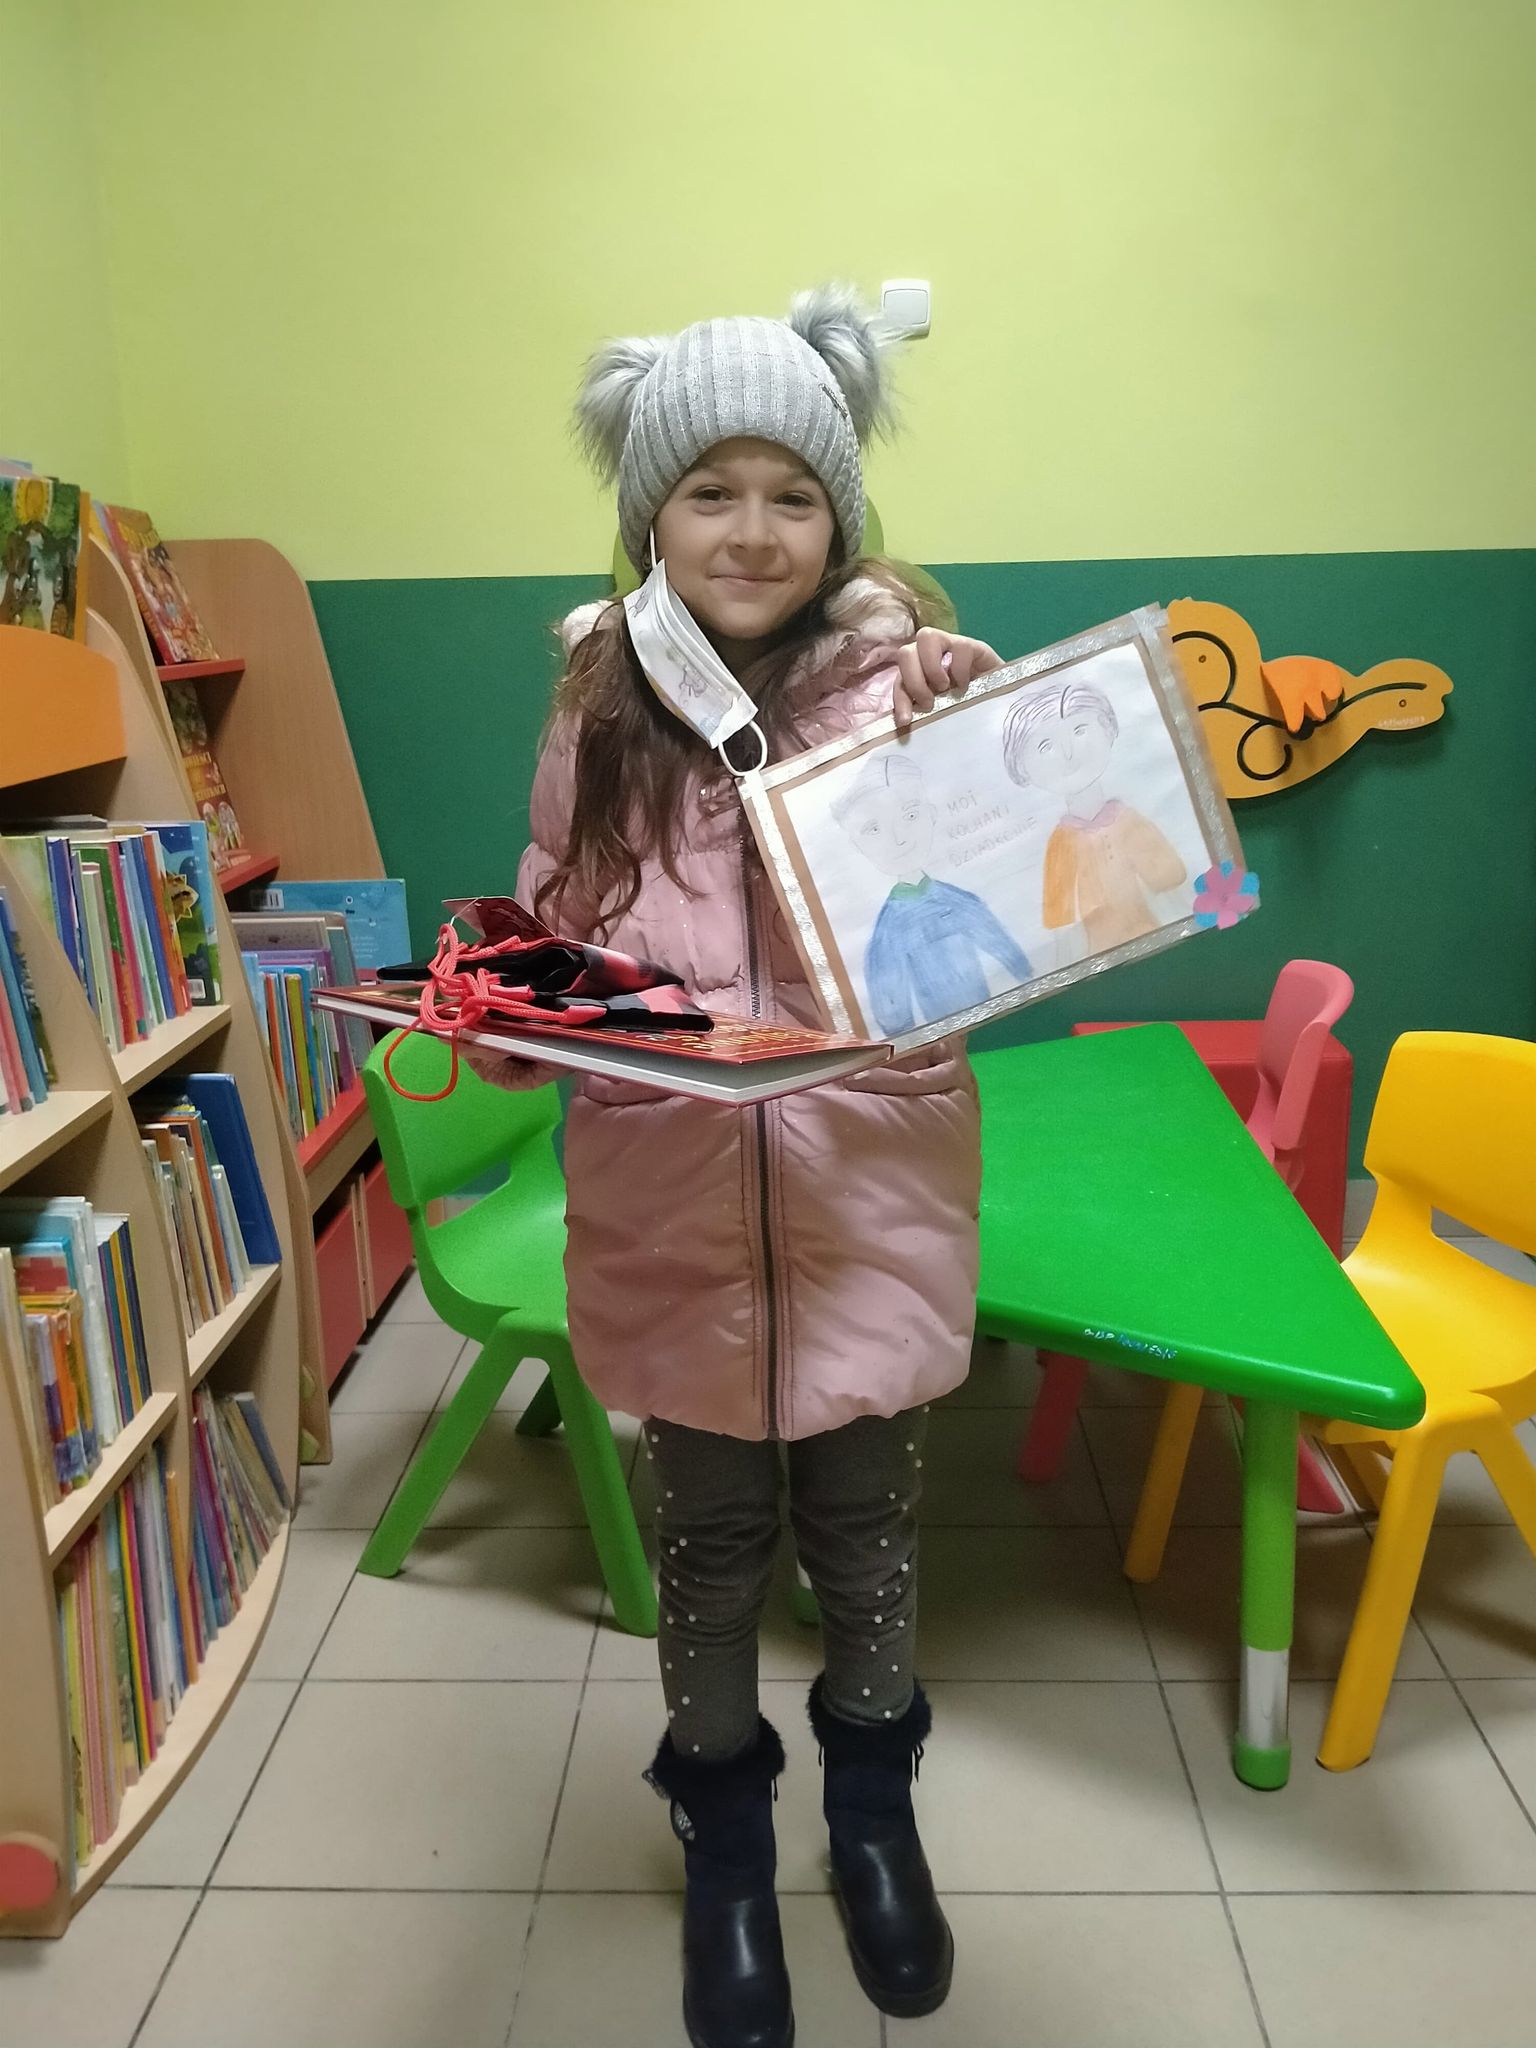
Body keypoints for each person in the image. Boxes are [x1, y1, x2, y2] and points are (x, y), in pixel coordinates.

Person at [471, 286, 1001, 2048]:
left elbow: (998, 883)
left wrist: (994, 739)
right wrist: (511, 1008)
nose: (753, 530)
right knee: (706, 1549)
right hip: (675, 1209)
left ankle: (873, 1815)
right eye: (709, 491)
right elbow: (561, 924)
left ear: (841, 517)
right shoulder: (600, 704)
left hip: (869, 1197)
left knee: (869, 1534)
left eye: (793, 493)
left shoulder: (907, 684)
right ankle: (724, 1841)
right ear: (648, 516)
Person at [832, 751, 1033, 1036]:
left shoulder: (959, 901)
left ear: (932, 814)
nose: (899, 838)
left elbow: (1007, 949)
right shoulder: (889, 930)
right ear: (857, 845)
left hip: (1001, 1023)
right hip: (943, 1042)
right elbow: (890, 1009)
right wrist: (905, 1039)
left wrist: (1025, 974)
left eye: (910, 815)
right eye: (874, 829)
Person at [1002, 677, 1187, 952]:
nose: (1068, 753)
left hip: (1156, 938)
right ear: (1022, 767)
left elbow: (1172, 881)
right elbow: (1059, 923)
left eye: (1079, 731)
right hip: (1100, 955)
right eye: (1045, 746)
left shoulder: (1129, 822)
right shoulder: (1061, 843)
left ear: (1107, 729)